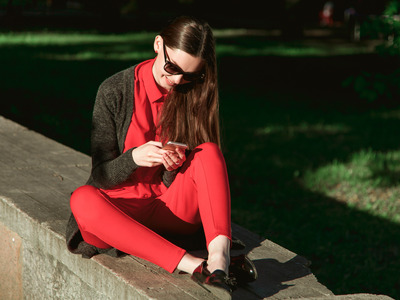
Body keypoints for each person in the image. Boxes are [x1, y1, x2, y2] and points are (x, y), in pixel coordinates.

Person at [64, 16, 256, 299]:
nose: (178, 80)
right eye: (172, 67)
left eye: (190, 75)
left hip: (168, 207)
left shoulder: (191, 92)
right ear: (158, 44)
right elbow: (102, 175)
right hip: (119, 212)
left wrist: (174, 164)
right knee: (82, 198)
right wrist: (134, 158)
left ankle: (218, 260)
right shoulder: (114, 90)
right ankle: (196, 267)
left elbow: (195, 173)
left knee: (209, 153)